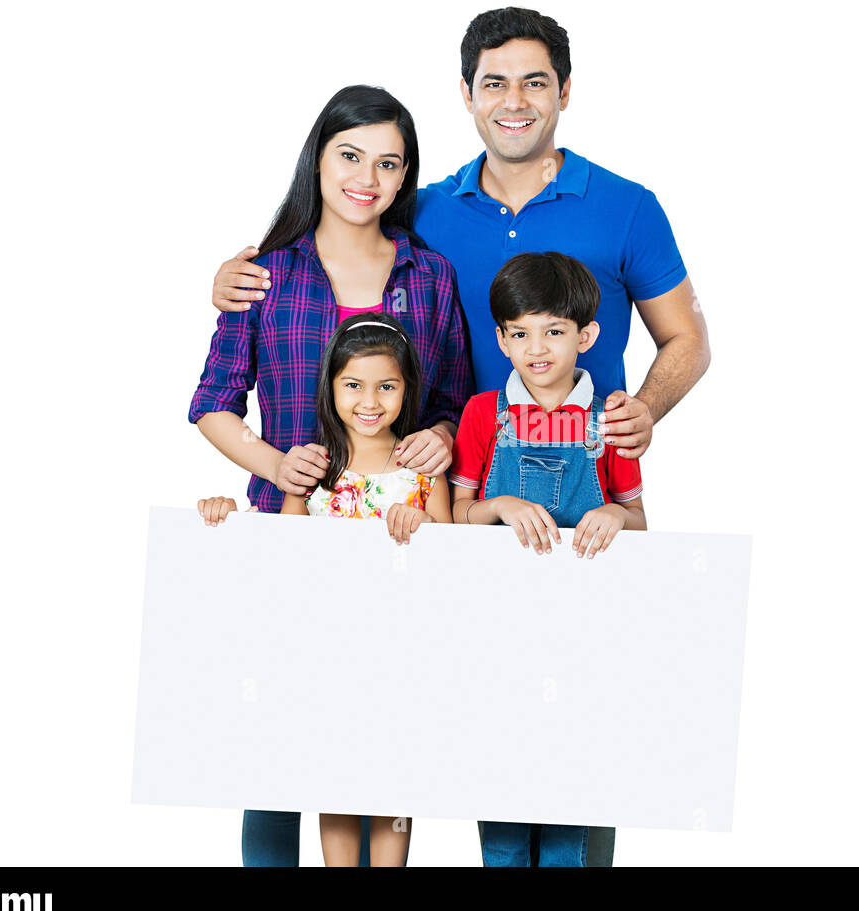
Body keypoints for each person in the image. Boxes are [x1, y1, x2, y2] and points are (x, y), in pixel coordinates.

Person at [208, 7, 709, 866]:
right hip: (404, 512)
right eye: (494, 83)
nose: (514, 101)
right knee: (333, 749)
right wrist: (233, 277)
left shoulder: (622, 208)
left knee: (572, 749)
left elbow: (687, 339)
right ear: (468, 97)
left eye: (535, 81)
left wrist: (644, 413)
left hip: (516, 502)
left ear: (566, 91)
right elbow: (279, 340)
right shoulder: (429, 218)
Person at [188, 84, 474, 866]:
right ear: (318, 158)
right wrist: (276, 466)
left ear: (405, 176)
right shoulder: (264, 275)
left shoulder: (429, 273)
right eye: (350, 155)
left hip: (400, 549)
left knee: (390, 745)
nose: (367, 177)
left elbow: (452, 400)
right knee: (277, 752)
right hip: (293, 538)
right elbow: (213, 404)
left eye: (389, 163)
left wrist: (439, 441)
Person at [198, 316, 451, 866]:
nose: (370, 401)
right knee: (332, 776)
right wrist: (228, 519)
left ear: (407, 389)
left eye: (387, 386)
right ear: (331, 387)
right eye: (354, 386)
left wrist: (425, 527)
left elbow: (454, 566)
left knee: (393, 780)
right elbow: (284, 557)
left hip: (400, 656)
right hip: (324, 654)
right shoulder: (313, 469)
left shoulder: (422, 471)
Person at [449, 251, 645, 866]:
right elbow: (458, 515)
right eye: (521, 333)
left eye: (555, 331)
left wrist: (616, 514)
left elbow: (640, 522)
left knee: (572, 790)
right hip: (497, 633)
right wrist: (499, 503)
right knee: (502, 792)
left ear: (586, 335)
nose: (538, 348)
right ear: (501, 340)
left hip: (584, 636)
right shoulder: (483, 414)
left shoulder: (611, 417)